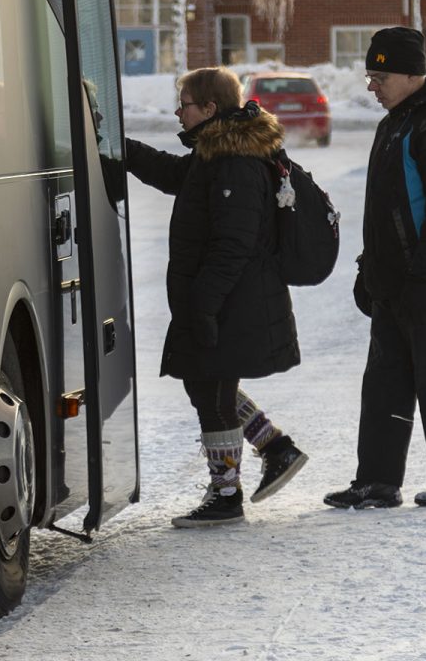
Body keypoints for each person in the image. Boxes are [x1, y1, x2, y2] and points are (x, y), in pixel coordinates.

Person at [125, 67, 308, 527]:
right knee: (206, 382)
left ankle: (226, 494)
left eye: (184, 104)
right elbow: (172, 173)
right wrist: (118, 149)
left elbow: (233, 243)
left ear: (209, 108)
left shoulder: (235, 161)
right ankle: (274, 447)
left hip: (233, 299)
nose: (177, 112)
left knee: (212, 389)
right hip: (225, 297)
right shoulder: (215, 152)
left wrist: (203, 305)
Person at [325, 26, 426, 510]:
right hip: (392, 286)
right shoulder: (394, 123)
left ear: (412, 74)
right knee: (384, 387)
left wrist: (421, 276)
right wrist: (367, 268)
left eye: (380, 75)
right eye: (370, 75)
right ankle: (376, 481)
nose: (371, 85)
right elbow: (387, 208)